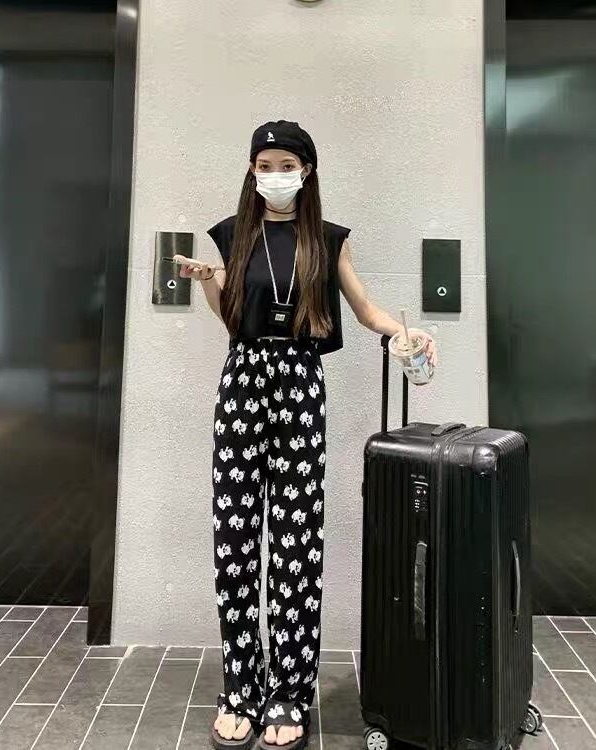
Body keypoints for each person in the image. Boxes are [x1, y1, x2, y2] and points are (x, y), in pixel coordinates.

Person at [180, 120, 438, 750]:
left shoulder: (327, 239)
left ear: (307, 171)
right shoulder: (232, 234)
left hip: (299, 382)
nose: (274, 175)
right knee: (235, 539)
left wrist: (404, 332)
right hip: (242, 381)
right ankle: (241, 688)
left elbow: (364, 308)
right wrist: (210, 281)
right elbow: (233, 319)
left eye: (286, 165)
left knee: (296, 544)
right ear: (251, 172)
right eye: (264, 165)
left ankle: (289, 692)